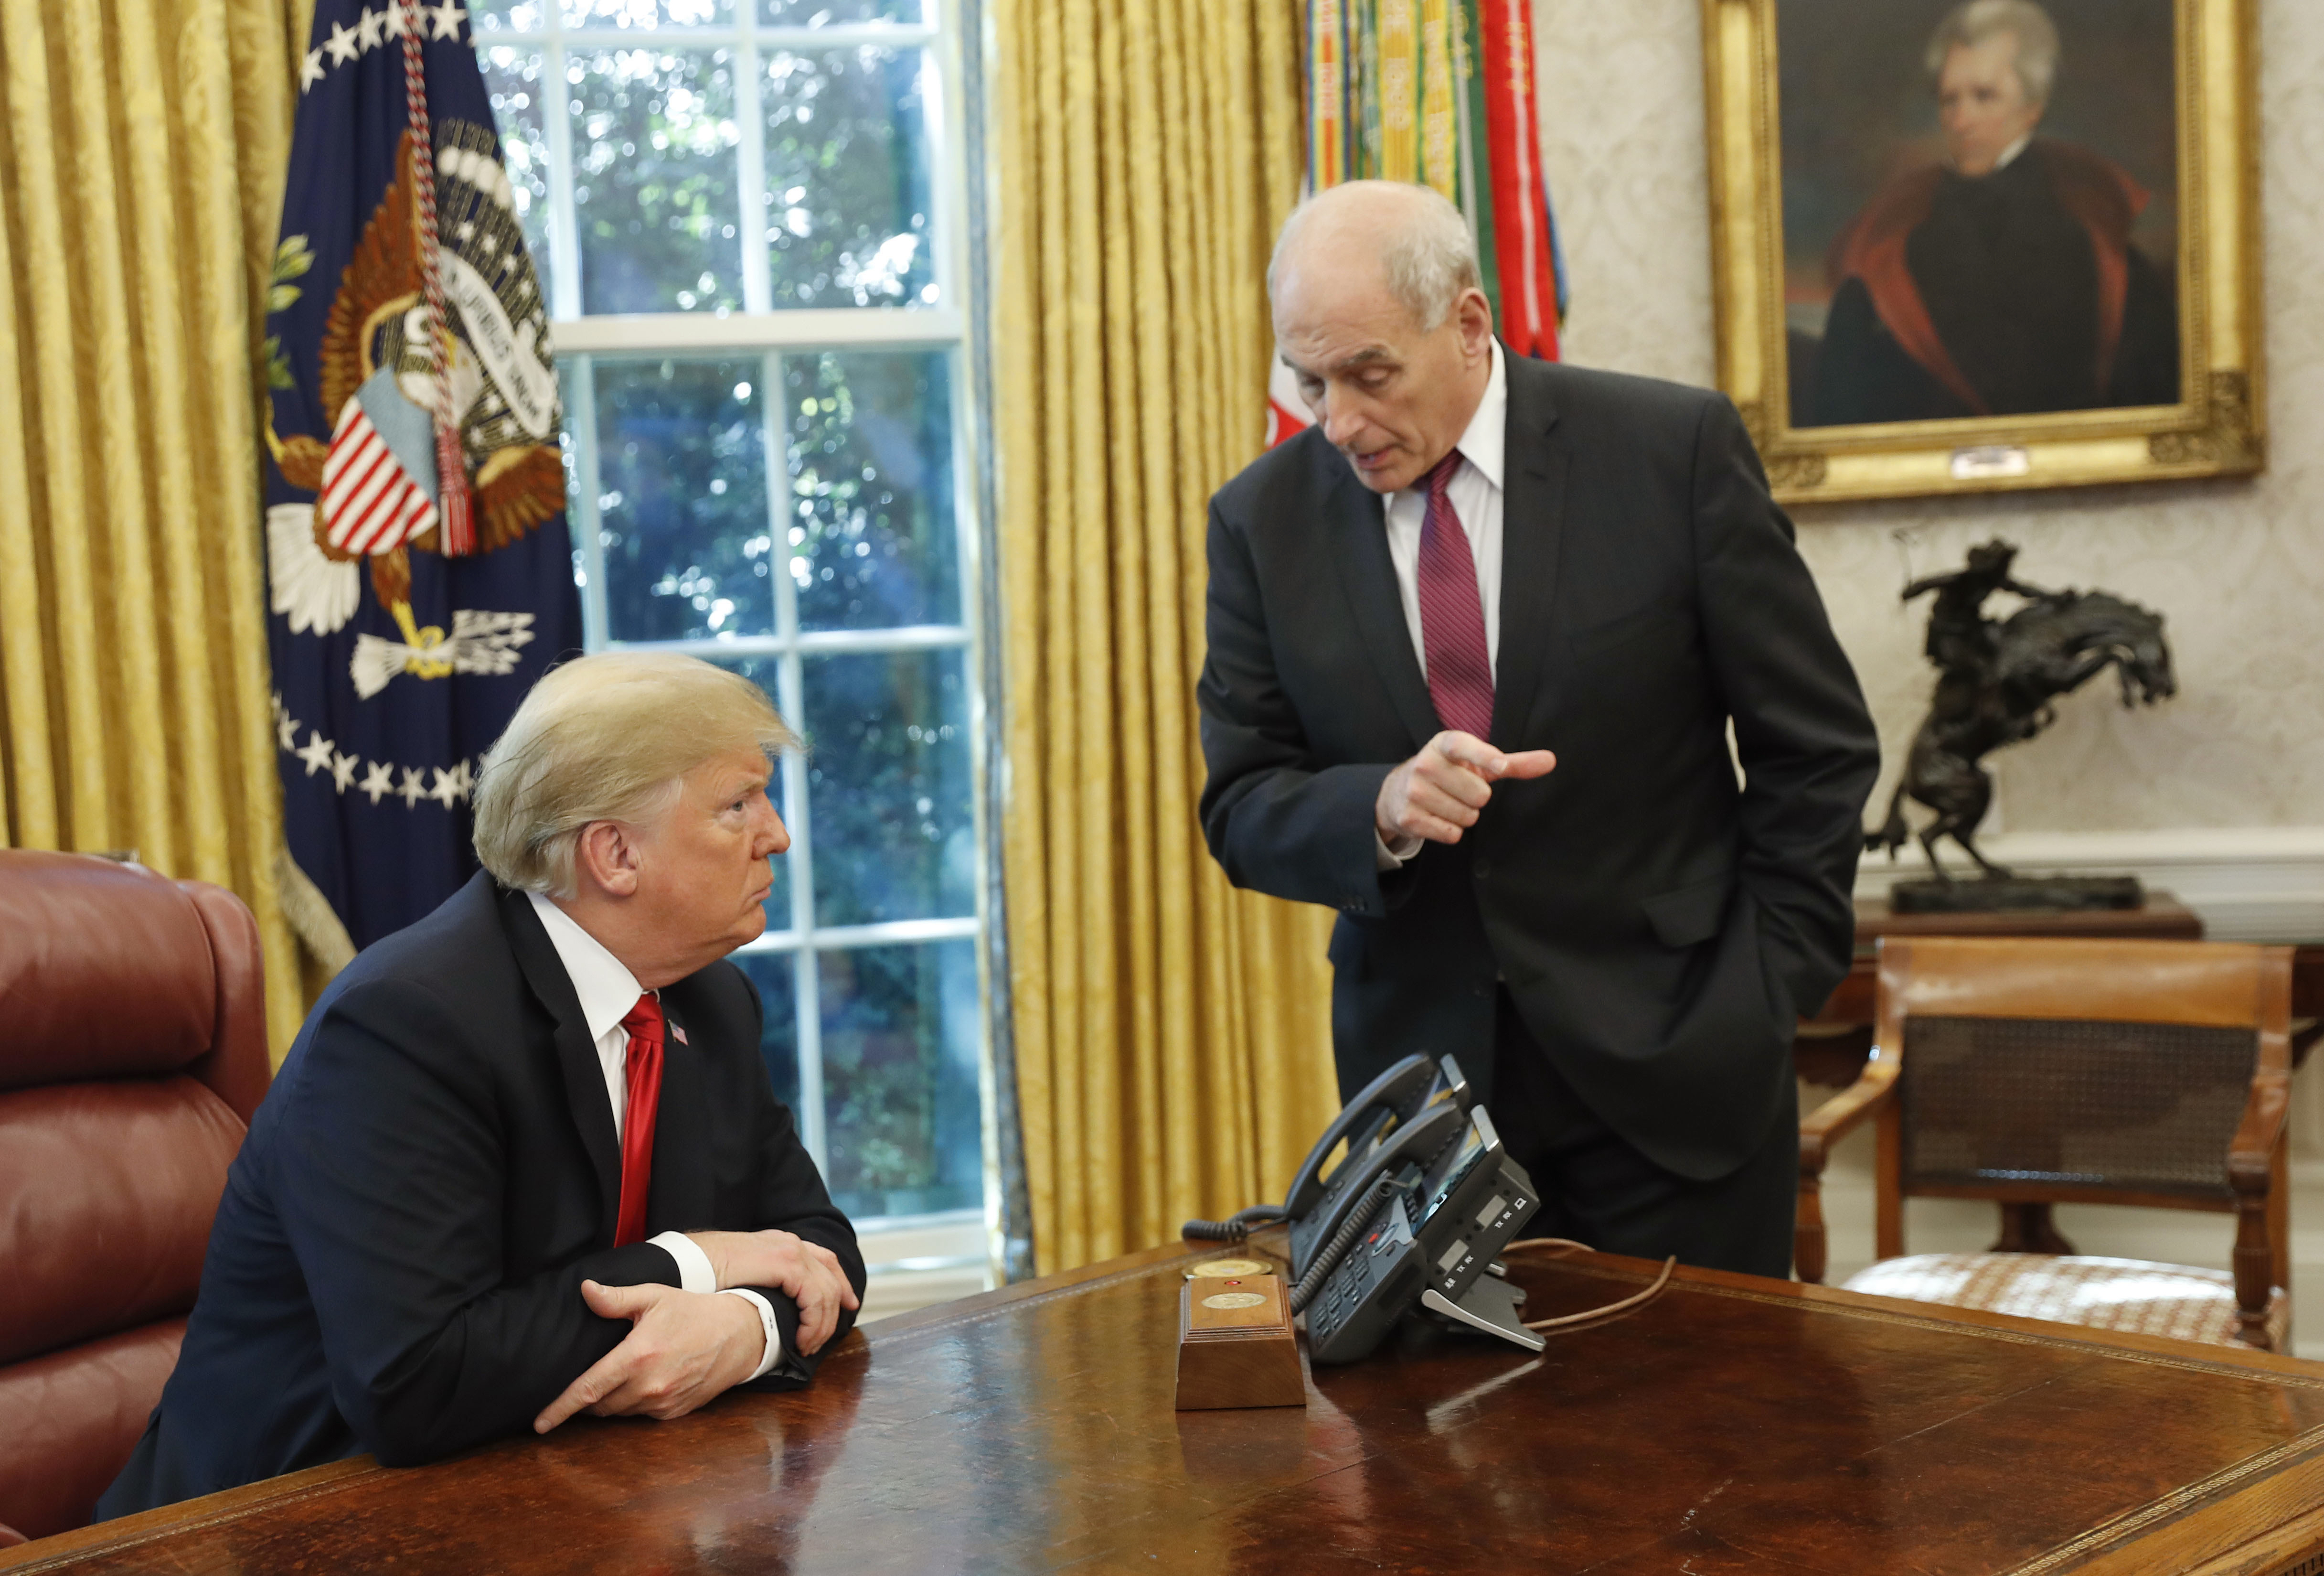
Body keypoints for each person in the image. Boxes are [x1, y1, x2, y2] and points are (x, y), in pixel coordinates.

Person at [1198, 180, 1879, 1276]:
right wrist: (1374, 804)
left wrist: (1763, 991)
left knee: (1713, 1443)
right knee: (1449, 1452)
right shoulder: (1260, 521)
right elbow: (1241, 803)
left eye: (1371, 375)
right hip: (1427, 1117)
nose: (1341, 422)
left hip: (1681, 1083)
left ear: (1468, 325)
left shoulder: (1671, 452)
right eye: (1309, 379)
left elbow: (1817, 748)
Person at [99, 653, 865, 1515]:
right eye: (738, 803)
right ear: (614, 853)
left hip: (560, 1495)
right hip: (285, 1520)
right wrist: (705, 1258)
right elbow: (415, 1381)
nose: (778, 833)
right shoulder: (405, 1024)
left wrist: (747, 1326)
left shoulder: (707, 997)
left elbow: (822, 1247)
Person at [1808, 0, 2180, 426]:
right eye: (1950, 101)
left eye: (1985, 97)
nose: (1962, 120)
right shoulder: (1890, 246)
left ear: (2033, 107)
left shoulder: (2098, 244)